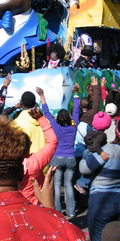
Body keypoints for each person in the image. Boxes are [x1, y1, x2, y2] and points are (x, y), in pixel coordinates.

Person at [82, 115, 120, 241]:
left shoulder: (108, 150)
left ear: (116, 129)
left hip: (101, 201)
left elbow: (85, 169)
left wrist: (85, 156)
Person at [39, 85, 80, 217]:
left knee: (56, 185)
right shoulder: (74, 126)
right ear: (69, 118)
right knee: (68, 185)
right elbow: (77, 111)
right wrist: (76, 94)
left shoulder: (55, 127)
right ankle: (71, 212)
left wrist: (42, 96)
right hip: (71, 158)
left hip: (57, 157)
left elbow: (46, 113)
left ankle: (57, 211)